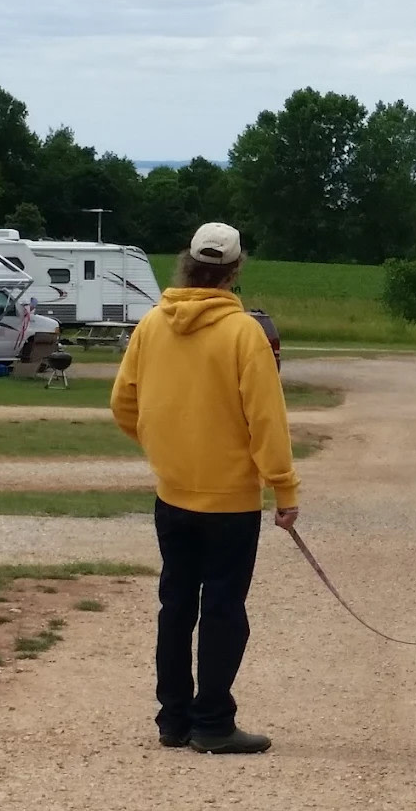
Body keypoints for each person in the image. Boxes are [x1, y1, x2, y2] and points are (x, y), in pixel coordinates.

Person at [110, 222, 300, 755]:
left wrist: (161, 445)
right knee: (222, 609)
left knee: (175, 605)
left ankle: (173, 719)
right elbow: (266, 420)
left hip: (171, 495)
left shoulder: (151, 324)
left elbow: (124, 402)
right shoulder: (245, 335)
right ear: (236, 269)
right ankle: (213, 721)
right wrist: (283, 489)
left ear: (187, 262)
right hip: (231, 503)